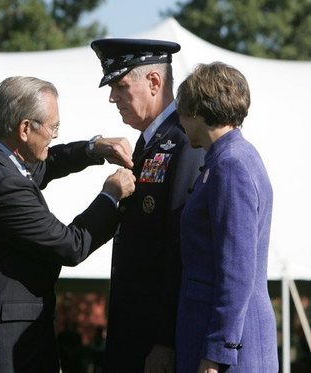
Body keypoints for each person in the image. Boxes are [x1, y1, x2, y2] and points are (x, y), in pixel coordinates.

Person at [0, 76, 136, 372]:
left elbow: (42, 164)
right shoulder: (1, 181)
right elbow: (71, 245)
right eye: (53, 127)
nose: (55, 135)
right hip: (0, 351)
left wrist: (92, 149)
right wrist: (111, 196)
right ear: (25, 129)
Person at [90, 38, 205, 372]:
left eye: (121, 86)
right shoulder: (148, 143)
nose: (113, 98)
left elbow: (179, 249)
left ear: (154, 82)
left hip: (155, 337)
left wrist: (165, 340)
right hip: (133, 329)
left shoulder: (184, 141)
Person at [175, 61, 278, 372]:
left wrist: (220, 348)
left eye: (181, 111)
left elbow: (237, 268)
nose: (179, 121)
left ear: (196, 109)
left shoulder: (231, 164)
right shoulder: (230, 159)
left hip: (230, 350)